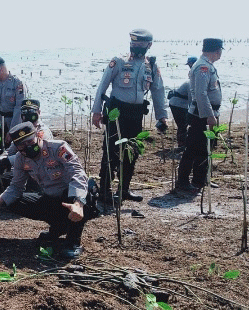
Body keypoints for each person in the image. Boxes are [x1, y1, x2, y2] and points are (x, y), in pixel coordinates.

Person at [0, 122, 99, 259]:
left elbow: (78, 173)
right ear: (17, 147)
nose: (27, 147)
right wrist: (0, 200)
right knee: (13, 201)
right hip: (50, 198)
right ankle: (59, 227)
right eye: (22, 145)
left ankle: (73, 242)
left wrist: (78, 203)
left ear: (39, 136)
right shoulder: (20, 160)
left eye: (30, 141)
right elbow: (16, 186)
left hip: (72, 197)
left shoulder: (58, 148)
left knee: (85, 189)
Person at [91, 29, 168, 204]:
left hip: (136, 114)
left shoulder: (152, 66)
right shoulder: (118, 61)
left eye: (141, 44)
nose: (136, 47)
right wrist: (96, 112)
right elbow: (102, 86)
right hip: (116, 113)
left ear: (149, 45)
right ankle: (104, 190)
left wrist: (162, 116)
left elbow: (158, 92)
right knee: (111, 151)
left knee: (132, 151)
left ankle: (124, 189)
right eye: (134, 43)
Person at [176, 39, 224, 193]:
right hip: (200, 115)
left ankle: (200, 180)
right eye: (220, 51)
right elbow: (201, 94)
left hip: (208, 113)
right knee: (192, 148)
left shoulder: (208, 66)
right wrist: (209, 116)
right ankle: (182, 182)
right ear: (216, 51)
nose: (220, 54)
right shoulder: (203, 66)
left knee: (206, 148)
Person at [0, 99, 54, 194]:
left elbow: (34, 153)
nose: (28, 115)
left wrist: (9, 161)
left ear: (39, 112)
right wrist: (2, 158)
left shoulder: (43, 132)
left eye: (32, 112)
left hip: (41, 168)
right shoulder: (21, 130)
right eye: (25, 112)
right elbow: (12, 149)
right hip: (24, 167)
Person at [0, 56, 26, 148]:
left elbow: (19, 108)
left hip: (16, 121)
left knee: (16, 148)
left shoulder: (17, 83)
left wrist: (13, 130)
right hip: (2, 121)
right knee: (1, 148)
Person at [168, 56, 197, 148]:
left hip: (180, 103)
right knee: (182, 124)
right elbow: (191, 100)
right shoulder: (190, 83)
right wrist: (192, 113)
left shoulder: (193, 80)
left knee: (183, 124)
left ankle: (184, 143)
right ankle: (182, 145)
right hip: (176, 104)